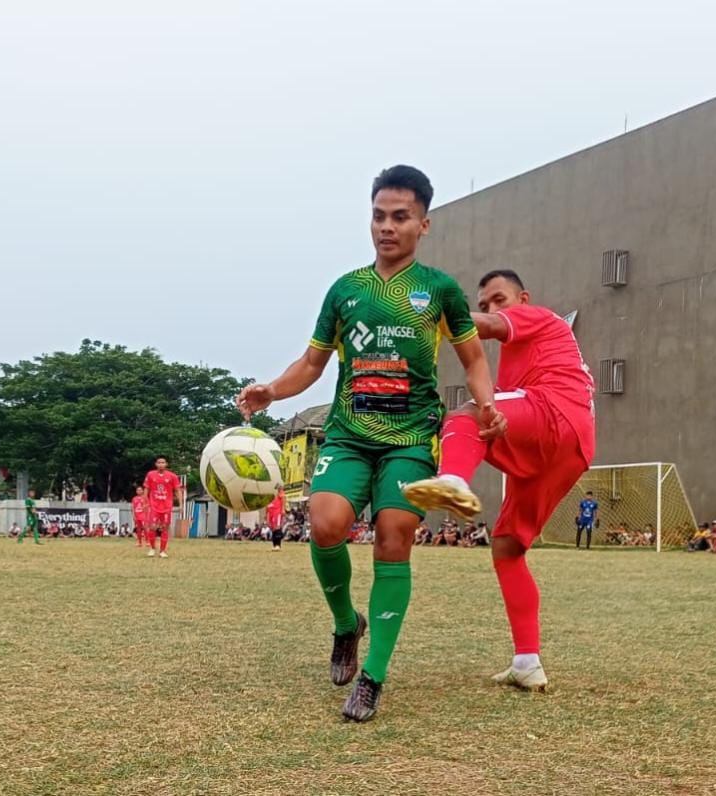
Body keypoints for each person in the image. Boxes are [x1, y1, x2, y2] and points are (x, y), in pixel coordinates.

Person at [236, 165, 502, 722]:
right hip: (350, 436)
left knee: (392, 538)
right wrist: (272, 389)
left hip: (409, 440)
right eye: (379, 215)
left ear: (423, 224)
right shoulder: (346, 290)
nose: (387, 226)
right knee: (326, 524)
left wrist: (487, 403)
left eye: (400, 217)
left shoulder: (441, 291)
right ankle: (344, 624)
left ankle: (373, 678)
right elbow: (312, 362)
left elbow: (474, 358)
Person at [401, 268, 595, 693]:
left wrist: (426, 314)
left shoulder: (540, 317)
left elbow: (483, 327)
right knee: (508, 546)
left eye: (499, 298)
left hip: (555, 411)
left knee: (463, 414)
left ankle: (451, 480)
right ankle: (527, 661)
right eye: (484, 301)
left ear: (522, 299)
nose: (491, 308)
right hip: (570, 447)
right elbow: (502, 410)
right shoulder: (514, 369)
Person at [143, 457, 182, 559]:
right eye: (159, 462)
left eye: (163, 462)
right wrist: (145, 502)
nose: (161, 464)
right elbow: (146, 489)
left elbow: (177, 491)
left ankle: (162, 551)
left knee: (165, 527)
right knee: (152, 527)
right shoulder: (150, 475)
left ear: (166, 464)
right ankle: (152, 548)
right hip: (154, 506)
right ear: (156, 464)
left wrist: (181, 504)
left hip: (166, 506)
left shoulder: (172, 476)